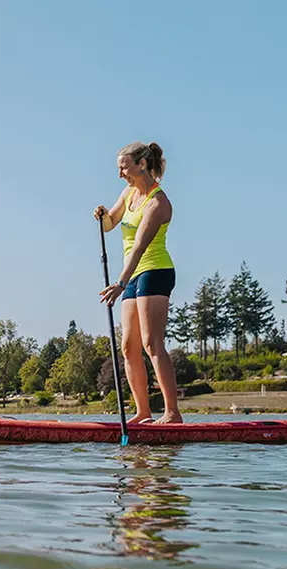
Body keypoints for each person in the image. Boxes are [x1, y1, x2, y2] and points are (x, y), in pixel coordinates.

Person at [95, 141, 183, 424]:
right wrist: (102, 216)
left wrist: (120, 283)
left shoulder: (158, 203)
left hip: (154, 271)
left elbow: (139, 247)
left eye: (124, 168)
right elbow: (110, 223)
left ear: (142, 164)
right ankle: (143, 412)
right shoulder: (128, 193)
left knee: (151, 343)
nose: (120, 174)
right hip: (131, 275)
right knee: (128, 347)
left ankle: (172, 413)